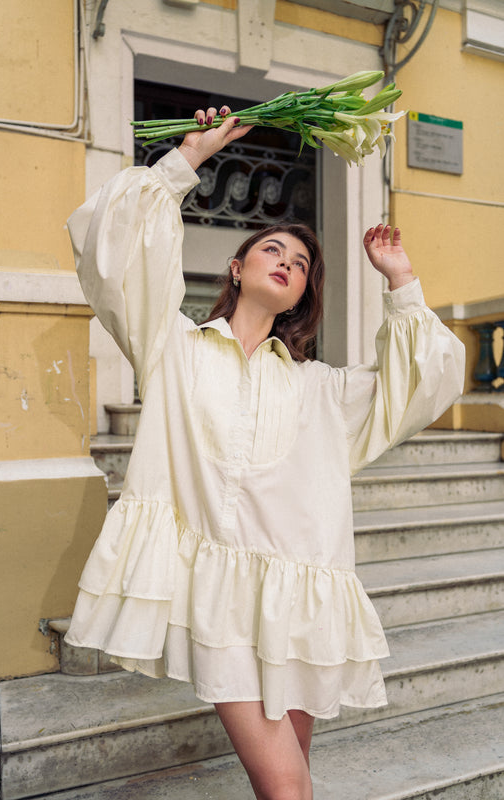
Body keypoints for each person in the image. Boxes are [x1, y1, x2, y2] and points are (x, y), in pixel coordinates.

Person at [65, 105, 465, 800]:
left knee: (288, 785)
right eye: (273, 250)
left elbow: (420, 384)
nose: (287, 262)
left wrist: (400, 278)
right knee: (288, 789)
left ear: (303, 294)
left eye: (302, 262)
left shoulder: (320, 389)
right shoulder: (174, 348)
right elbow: (114, 250)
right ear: (236, 265)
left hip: (299, 603)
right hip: (218, 600)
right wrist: (188, 157)